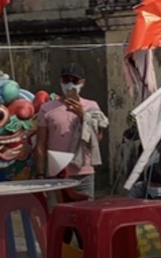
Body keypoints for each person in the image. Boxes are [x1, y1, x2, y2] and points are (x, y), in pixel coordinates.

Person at [36, 63, 108, 198]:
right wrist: (40, 174)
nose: (70, 85)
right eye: (66, 80)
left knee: (86, 215)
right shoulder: (47, 108)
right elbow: (40, 144)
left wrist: (83, 116)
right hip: (57, 172)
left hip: (83, 172)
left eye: (74, 81)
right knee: (58, 215)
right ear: (60, 81)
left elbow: (97, 140)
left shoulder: (91, 107)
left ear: (82, 83)